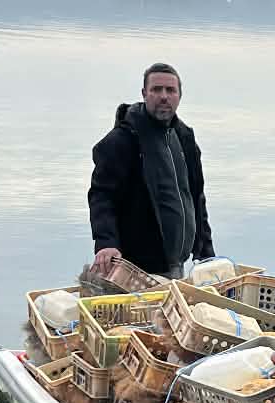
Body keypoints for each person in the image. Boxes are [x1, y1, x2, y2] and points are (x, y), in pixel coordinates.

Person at [87, 62, 213, 282]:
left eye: (170, 90)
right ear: (144, 93)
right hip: (135, 268)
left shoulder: (186, 139)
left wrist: (206, 252)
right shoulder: (123, 140)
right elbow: (101, 196)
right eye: (156, 89)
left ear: (179, 96)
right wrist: (106, 243)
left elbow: (196, 198)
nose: (164, 96)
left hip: (176, 264)